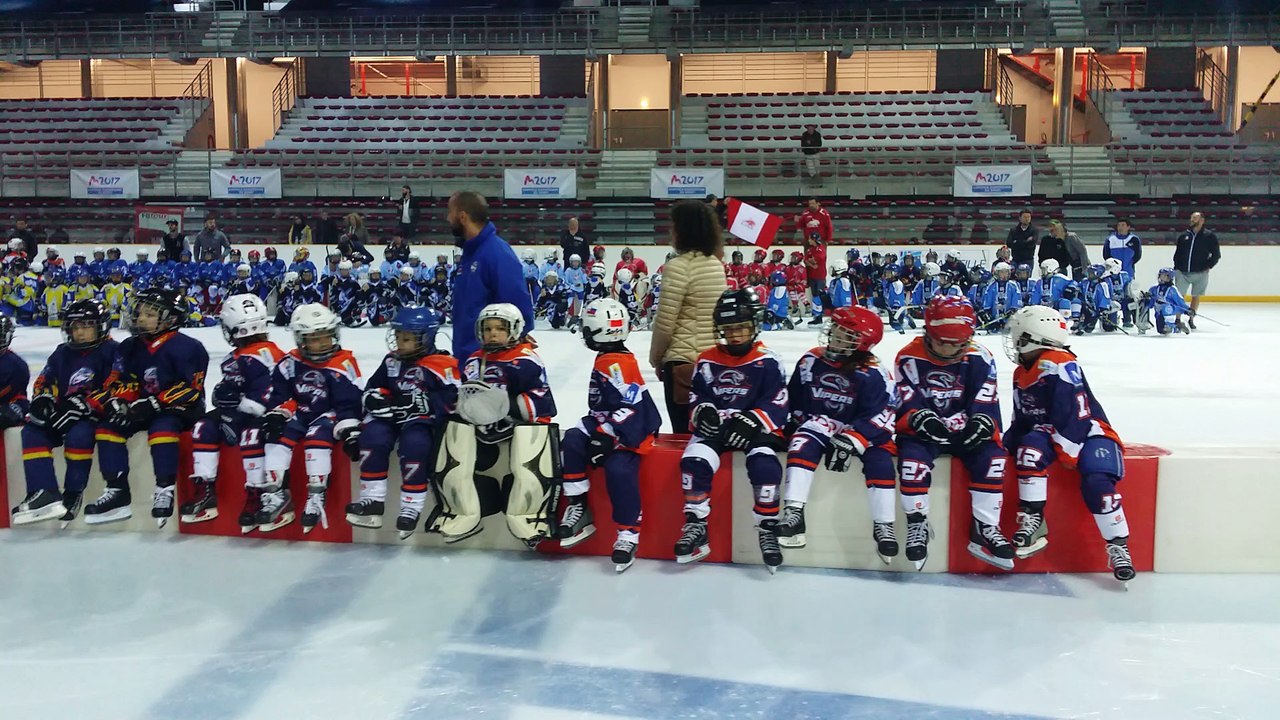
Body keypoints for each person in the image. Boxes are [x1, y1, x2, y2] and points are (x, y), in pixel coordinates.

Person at [1003, 305, 1135, 583]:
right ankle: (1033, 519)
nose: (1014, 340)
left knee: (1098, 482)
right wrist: (1007, 445)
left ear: (1032, 337)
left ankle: (1118, 545)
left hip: (1089, 432)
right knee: (1027, 451)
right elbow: (1023, 420)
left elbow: (1074, 416)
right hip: (1055, 432)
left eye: (1018, 334)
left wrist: (1067, 453)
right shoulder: (1024, 370)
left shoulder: (1057, 362)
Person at [895, 296, 1013, 571]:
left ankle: (985, 526)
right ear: (928, 332)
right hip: (924, 432)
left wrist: (981, 423)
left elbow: (986, 399)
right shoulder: (908, 356)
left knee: (993, 459)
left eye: (957, 344)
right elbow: (906, 399)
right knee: (912, 462)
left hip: (964, 427)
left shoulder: (980, 356)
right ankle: (917, 522)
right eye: (942, 343)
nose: (949, 351)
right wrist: (921, 419)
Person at [677, 289, 788, 573]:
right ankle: (696, 524)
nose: (735, 335)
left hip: (754, 430)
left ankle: (767, 527)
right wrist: (704, 412)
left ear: (755, 325)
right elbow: (697, 397)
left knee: (766, 466)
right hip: (719, 428)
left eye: (741, 327)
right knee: (694, 463)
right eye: (728, 329)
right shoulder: (706, 359)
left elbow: (778, 400)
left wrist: (753, 420)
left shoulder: (768, 360)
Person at [431, 303, 558, 546]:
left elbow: (542, 404)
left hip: (517, 427)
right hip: (481, 430)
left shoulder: (526, 360)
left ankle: (529, 515)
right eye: (487, 328)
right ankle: (461, 510)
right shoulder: (474, 360)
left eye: (500, 328)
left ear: (515, 329)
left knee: (532, 446)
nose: (492, 334)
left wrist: (506, 404)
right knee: (453, 431)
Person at [775, 306, 897, 561]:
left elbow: (883, 416)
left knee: (881, 462)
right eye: (836, 330)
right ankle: (794, 512)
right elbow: (795, 399)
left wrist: (854, 440)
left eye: (845, 335)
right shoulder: (811, 360)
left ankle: (884, 525)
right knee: (800, 443)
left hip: (863, 433)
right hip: (823, 423)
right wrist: (794, 423)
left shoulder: (874, 373)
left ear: (862, 343)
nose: (835, 336)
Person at [556, 298, 663, 573]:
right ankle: (579, 505)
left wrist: (605, 433)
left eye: (587, 328)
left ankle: (628, 534)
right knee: (572, 440)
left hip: (631, 428)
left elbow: (632, 407)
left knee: (619, 469)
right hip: (608, 419)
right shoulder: (609, 357)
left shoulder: (615, 364)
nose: (584, 333)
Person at [88, 288, 210, 526]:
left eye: (150, 314)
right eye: (139, 312)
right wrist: (119, 402)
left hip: (181, 408)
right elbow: (120, 381)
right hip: (142, 406)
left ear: (171, 318)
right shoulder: (129, 346)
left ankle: (165, 487)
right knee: (108, 427)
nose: (140, 318)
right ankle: (117, 491)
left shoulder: (188, 347)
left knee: (162, 428)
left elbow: (191, 389)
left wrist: (154, 403)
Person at [348, 307, 459, 538]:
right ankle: (373, 499)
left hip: (421, 422)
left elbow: (454, 399)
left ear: (426, 337)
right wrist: (374, 397)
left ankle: (411, 505)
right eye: (398, 336)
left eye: (407, 338)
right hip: (391, 418)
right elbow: (375, 385)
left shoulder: (443, 363)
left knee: (415, 445)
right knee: (372, 437)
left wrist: (424, 403)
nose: (399, 342)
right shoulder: (392, 361)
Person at [258, 304, 363, 534]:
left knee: (317, 439)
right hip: (302, 412)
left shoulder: (343, 364)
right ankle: (276, 493)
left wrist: (350, 429)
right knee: (275, 437)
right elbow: (280, 395)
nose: (320, 344)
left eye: (325, 338)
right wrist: (278, 413)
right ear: (300, 340)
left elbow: (349, 402)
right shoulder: (289, 363)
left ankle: (317, 494)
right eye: (313, 339)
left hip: (329, 415)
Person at [184, 294, 285, 530]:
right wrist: (223, 397)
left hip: (268, 417)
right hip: (242, 413)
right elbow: (232, 390)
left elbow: (272, 392)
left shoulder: (266, 355)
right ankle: (205, 487)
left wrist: (238, 414)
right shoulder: (236, 357)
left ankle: (257, 492)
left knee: (251, 436)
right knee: (202, 427)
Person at [8, 303, 114, 526]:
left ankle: (73, 493)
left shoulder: (113, 351)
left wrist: (86, 404)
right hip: (63, 411)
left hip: (94, 416)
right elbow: (45, 379)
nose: (79, 332)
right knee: (33, 431)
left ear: (101, 326)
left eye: (85, 326)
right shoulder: (62, 352)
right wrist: (44, 398)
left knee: (79, 434)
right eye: (74, 327)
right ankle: (44, 492)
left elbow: (120, 386)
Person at [649, 200, 727, 434]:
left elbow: (665, 324)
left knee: (682, 436)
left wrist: (656, 359)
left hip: (682, 365)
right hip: (713, 363)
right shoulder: (716, 265)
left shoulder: (678, 267)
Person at [447, 191, 535, 361]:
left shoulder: (497, 253)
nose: (448, 218)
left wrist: (517, 340)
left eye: (450, 212)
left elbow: (518, 306)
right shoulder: (470, 253)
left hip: (490, 363)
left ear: (463, 217)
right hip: (467, 358)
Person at [1172, 211, 1219, 329]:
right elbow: (1178, 253)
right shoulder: (1184, 236)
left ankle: (1191, 318)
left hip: (1200, 272)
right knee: (1179, 295)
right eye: (1191, 218)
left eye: (1195, 218)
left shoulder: (1209, 236)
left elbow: (1216, 254)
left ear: (1202, 220)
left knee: (1196, 295)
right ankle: (1177, 319)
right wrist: (1176, 267)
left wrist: (1208, 266)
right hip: (1182, 272)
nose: (1192, 220)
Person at [797, 198, 833, 325]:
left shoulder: (824, 214)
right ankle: (808, 280)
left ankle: (821, 312)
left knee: (819, 287)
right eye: (809, 203)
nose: (810, 205)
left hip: (820, 240)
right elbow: (800, 225)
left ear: (818, 203)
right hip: (809, 241)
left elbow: (829, 227)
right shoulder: (805, 213)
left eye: (813, 203)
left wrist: (826, 240)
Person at [1137, 267, 1192, 336]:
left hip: (1169, 310)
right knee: (1161, 330)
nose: (1161, 277)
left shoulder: (1172, 290)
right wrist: (1147, 298)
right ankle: (1176, 327)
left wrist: (1187, 309)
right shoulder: (1154, 288)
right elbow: (1150, 304)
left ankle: (1175, 325)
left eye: (1164, 276)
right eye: (1161, 275)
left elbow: (1180, 301)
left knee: (1165, 309)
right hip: (1159, 312)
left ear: (1169, 278)